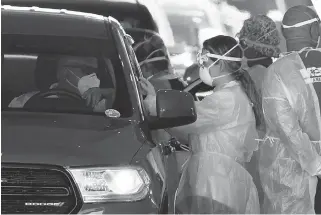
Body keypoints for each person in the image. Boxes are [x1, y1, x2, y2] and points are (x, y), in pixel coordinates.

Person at [141, 35, 263, 213]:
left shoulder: (227, 99)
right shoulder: (227, 94)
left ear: (220, 63)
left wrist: (153, 102)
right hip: (218, 179)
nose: (201, 66)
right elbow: (186, 131)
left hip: (218, 182)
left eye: (204, 59)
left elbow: (191, 119)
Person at [257, 5, 321, 214]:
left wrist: (316, 166)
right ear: (315, 31)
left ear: (284, 33)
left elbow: (286, 128)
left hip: (297, 179)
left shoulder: (276, 72)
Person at [237, 14, 281, 209]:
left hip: (257, 150)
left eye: (242, 42)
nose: (240, 48)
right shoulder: (279, 71)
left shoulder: (251, 76)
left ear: (251, 44)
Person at [9, 56, 115, 112]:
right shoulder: (25, 101)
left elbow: (123, 100)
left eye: (95, 71)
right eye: (86, 70)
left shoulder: (96, 103)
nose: (93, 75)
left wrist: (105, 92)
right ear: (63, 72)